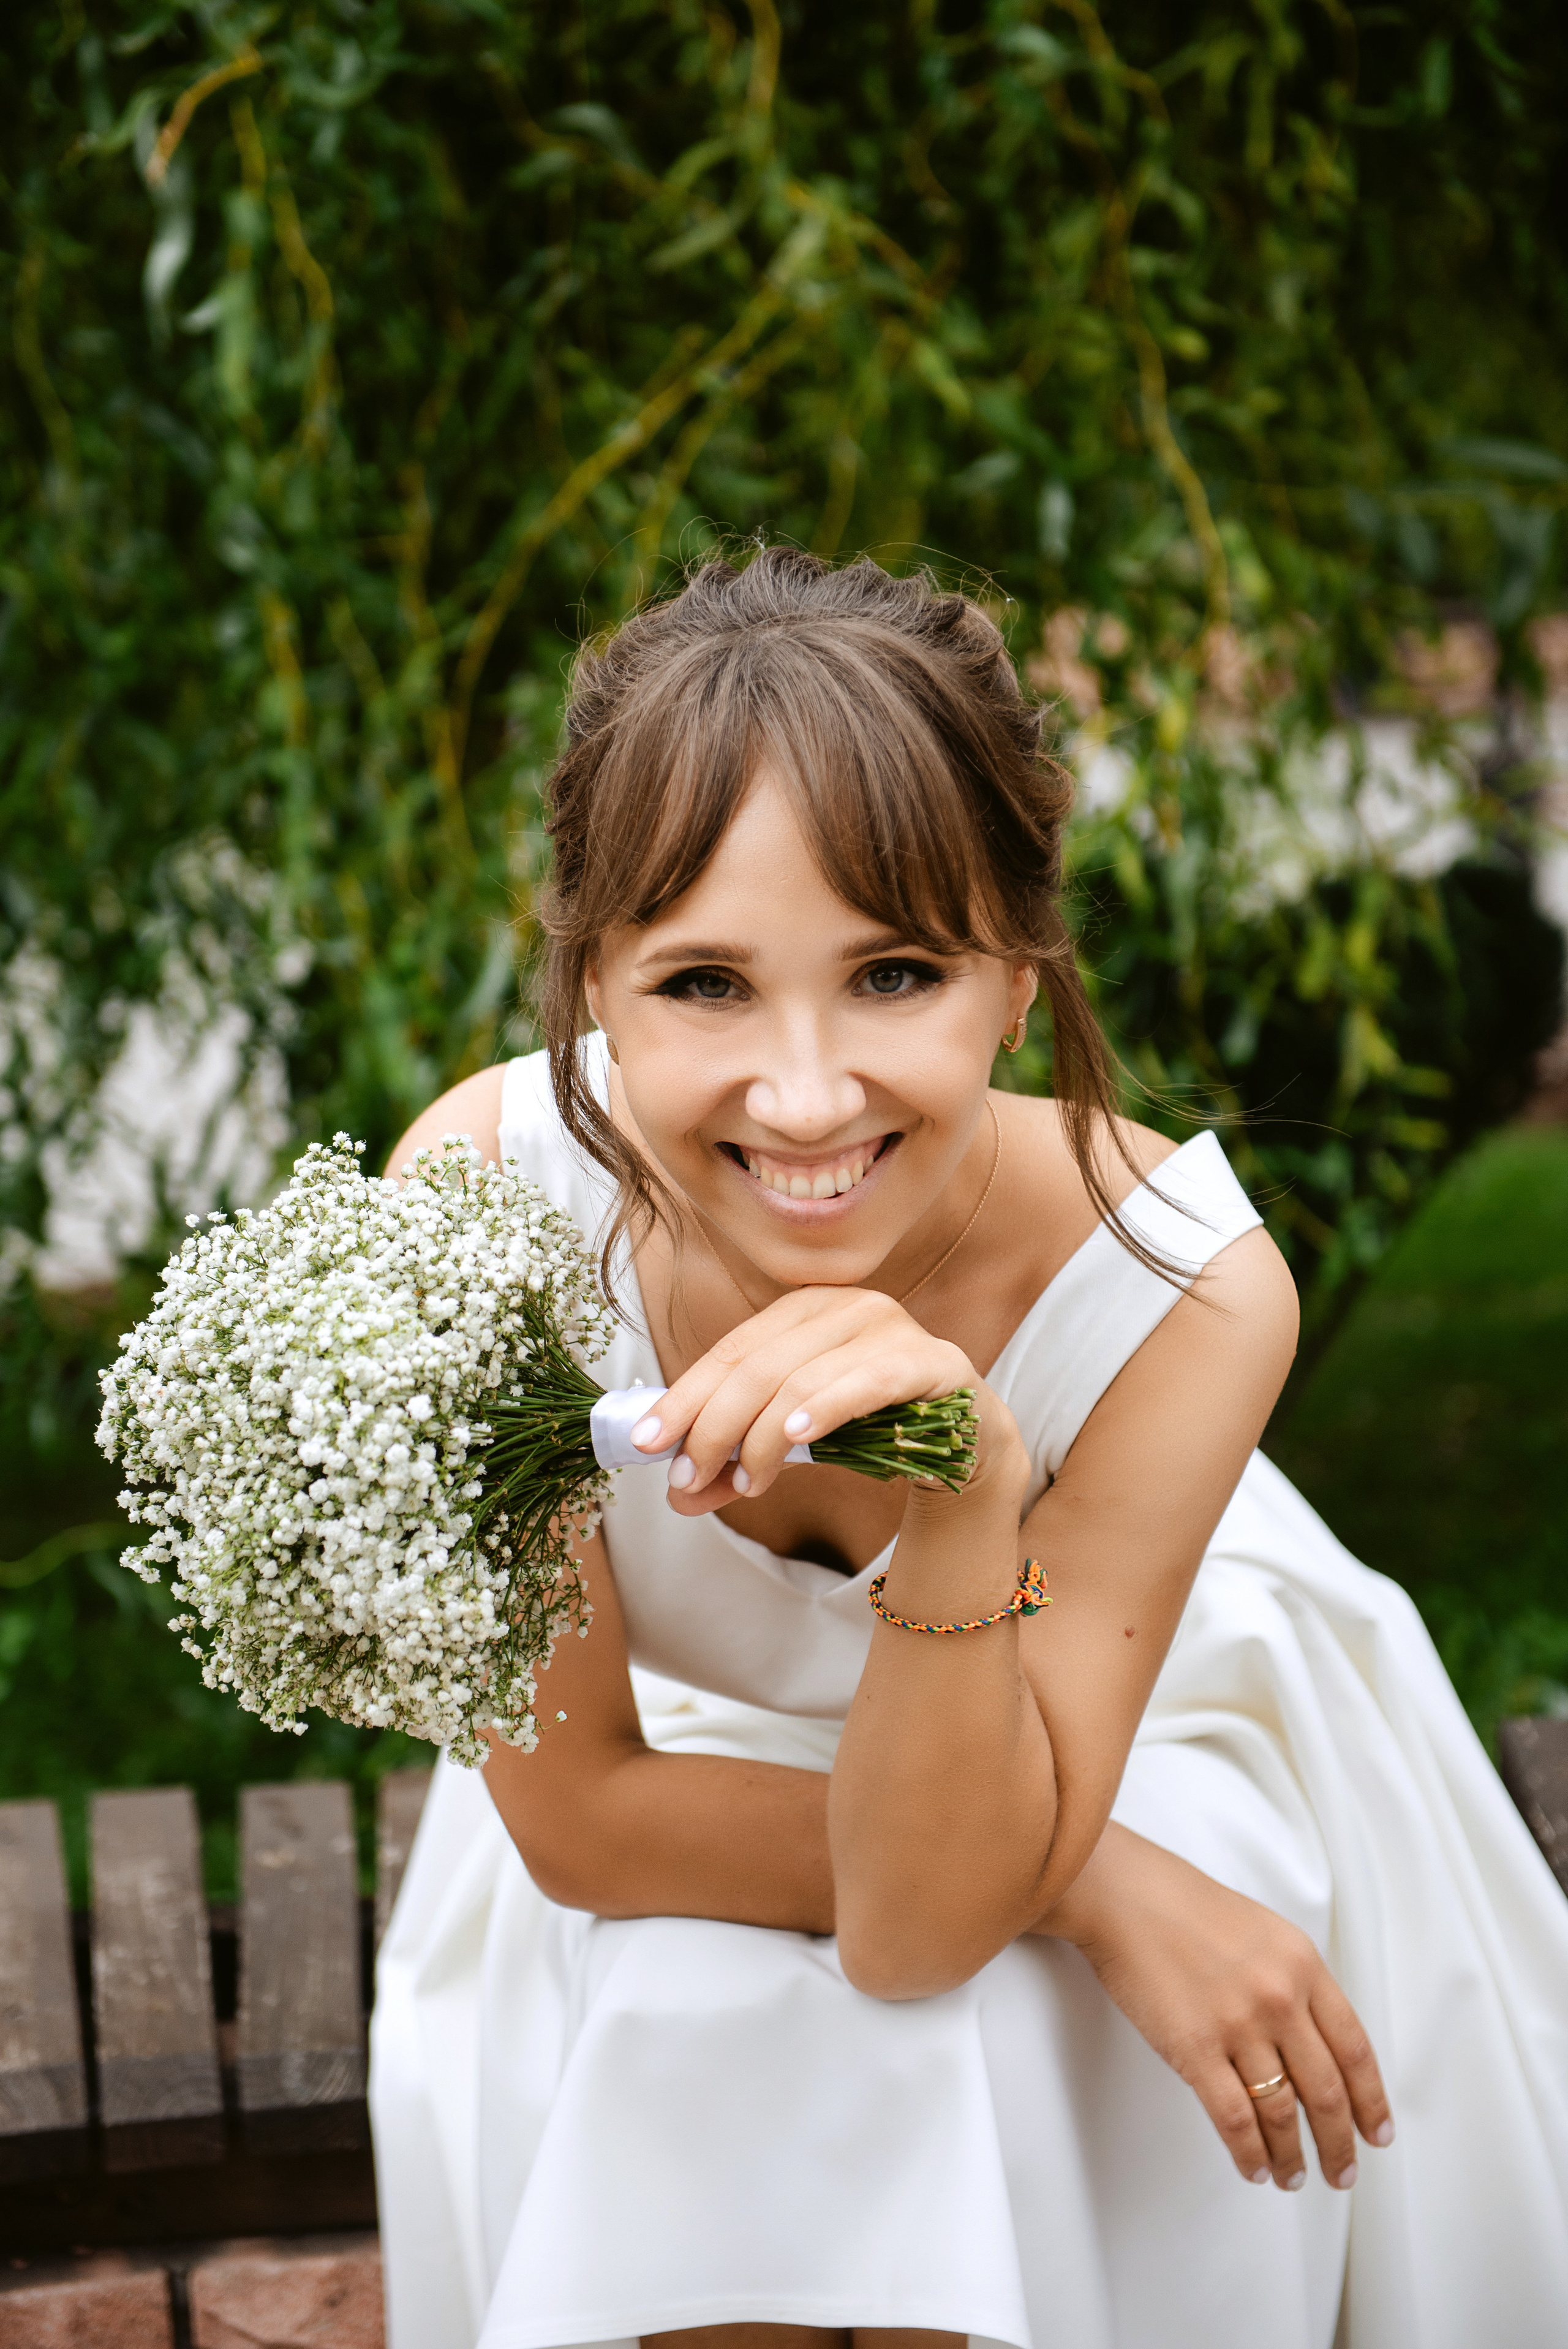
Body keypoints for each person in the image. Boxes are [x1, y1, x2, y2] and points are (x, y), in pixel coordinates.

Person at [369, 548, 1568, 2349]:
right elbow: (599, 1815)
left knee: (1010, 2034)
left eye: (896, 971)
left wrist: (962, 1492)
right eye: (703, 982)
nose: (805, 1093)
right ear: (592, 982)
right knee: (682, 2012)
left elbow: (922, 1925)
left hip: (1127, 1707)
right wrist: (1100, 1885)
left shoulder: (1188, 1285)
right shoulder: (474, 1217)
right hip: (685, 1790)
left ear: (1018, 980)